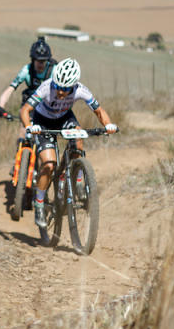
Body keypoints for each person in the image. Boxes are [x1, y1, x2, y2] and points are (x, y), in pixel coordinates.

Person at [19, 57, 117, 245]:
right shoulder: (46, 87)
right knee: (49, 164)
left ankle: (77, 177)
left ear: (74, 85)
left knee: (78, 139)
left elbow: (98, 110)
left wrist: (109, 124)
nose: (62, 92)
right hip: (42, 121)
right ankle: (39, 202)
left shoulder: (81, 90)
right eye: (59, 87)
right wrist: (29, 126)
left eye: (66, 89)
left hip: (64, 118)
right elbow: (25, 109)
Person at [0, 36, 57, 138]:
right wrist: (1, 106)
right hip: (30, 103)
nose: (41, 64)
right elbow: (10, 89)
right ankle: (21, 149)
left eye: (44, 61)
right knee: (24, 129)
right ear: (33, 59)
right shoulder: (26, 70)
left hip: (47, 105)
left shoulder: (55, 71)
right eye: (38, 60)